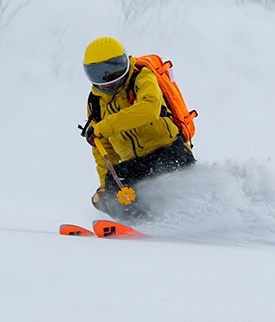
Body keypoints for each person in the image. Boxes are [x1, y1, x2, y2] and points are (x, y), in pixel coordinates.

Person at [81, 36, 195, 216]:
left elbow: (149, 109)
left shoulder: (142, 78)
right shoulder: (96, 101)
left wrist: (104, 127)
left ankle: (173, 219)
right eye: (99, 74)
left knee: (162, 180)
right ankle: (137, 224)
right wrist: (106, 187)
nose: (108, 79)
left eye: (113, 70)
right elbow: (102, 148)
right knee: (110, 191)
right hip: (136, 164)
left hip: (170, 151)